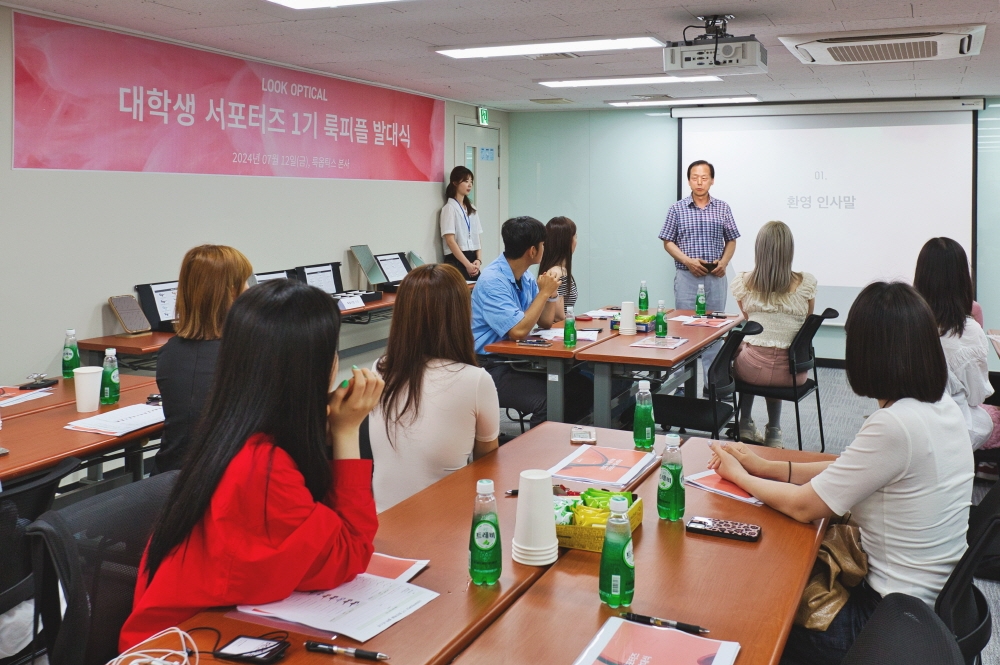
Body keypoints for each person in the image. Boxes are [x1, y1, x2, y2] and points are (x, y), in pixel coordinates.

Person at [708, 282, 973, 665]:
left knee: (758, 611)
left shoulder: (895, 425)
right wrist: (768, 466)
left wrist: (739, 475)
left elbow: (804, 507)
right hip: (928, 607)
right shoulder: (937, 405)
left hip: (886, 622)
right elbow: (852, 466)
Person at [120, 279, 383, 650]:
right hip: (180, 649)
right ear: (310, 367)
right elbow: (351, 551)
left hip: (204, 631)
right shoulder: (263, 467)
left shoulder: (237, 431)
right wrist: (346, 433)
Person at [370, 264, 500, 511]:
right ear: (461, 314)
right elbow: (487, 466)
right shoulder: (475, 380)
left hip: (380, 523)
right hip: (445, 530)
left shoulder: (380, 368)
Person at [472, 216, 592, 428]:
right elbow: (517, 331)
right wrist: (543, 292)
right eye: (543, 244)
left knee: (583, 387)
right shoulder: (493, 280)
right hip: (489, 365)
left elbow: (545, 322)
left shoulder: (525, 277)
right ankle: (536, 454)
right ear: (533, 251)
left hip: (516, 358)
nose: (545, 248)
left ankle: (564, 445)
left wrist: (551, 293)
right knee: (548, 400)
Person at [153, 244, 253, 473]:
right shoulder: (246, 353)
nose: (249, 290)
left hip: (165, 481)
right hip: (220, 483)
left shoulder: (170, 352)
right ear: (230, 291)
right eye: (244, 282)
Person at [730, 222, 815, 447]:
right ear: (789, 249)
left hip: (751, 371)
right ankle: (774, 432)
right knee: (775, 354)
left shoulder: (743, 283)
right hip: (794, 374)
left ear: (759, 248)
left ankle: (745, 422)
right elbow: (804, 325)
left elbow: (749, 322)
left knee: (745, 348)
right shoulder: (806, 283)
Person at [914, 237, 1000, 456]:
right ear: (963, 277)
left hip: (908, 422)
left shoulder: (907, 321)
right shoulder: (968, 330)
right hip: (948, 430)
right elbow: (977, 396)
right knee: (985, 419)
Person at [659, 160, 740, 392]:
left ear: (712, 180)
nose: (699, 182)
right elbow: (667, 241)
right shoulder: (677, 208)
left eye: (704, 177)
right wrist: (687, 261)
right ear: (688, 180)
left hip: (715, 276)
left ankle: (712, 383)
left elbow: (732, 239)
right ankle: (684, 384)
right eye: (695, 177)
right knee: (686, 328)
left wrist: (724, 262)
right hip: (687, 276)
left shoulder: (723, 207)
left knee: (714, 329)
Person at [440, 166, 483, 280]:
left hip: (473, 260)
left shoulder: (472, 209)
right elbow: (450, 241)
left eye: (471, 181)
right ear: (455, 182)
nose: (469, 185)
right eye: (465, 181)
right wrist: (467, 264)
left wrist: (478, 260)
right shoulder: (449, 208)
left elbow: (477, 237)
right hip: (456, 261)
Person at [538, 216, 578, 320]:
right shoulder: (555, 273)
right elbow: (558, 317)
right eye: (575, 236)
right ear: (567, 242)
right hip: (557, 332)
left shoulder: (561, 270)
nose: (576, 241)